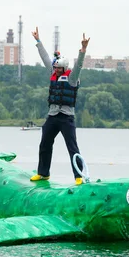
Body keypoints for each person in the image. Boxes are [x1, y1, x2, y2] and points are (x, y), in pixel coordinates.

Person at [29, 27, 90, 186]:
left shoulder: (71, 77)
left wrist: (83, 49)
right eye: (54, 67)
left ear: (63, 68)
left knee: (72, 147)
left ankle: (78, 175)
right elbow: (45, 58)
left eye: (57, 68)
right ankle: (43, 173)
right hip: (52, 116)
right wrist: (38, 41)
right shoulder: (53, 72)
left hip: (66, 118)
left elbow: (79, 66)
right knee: (44, 144)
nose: (54, 69)